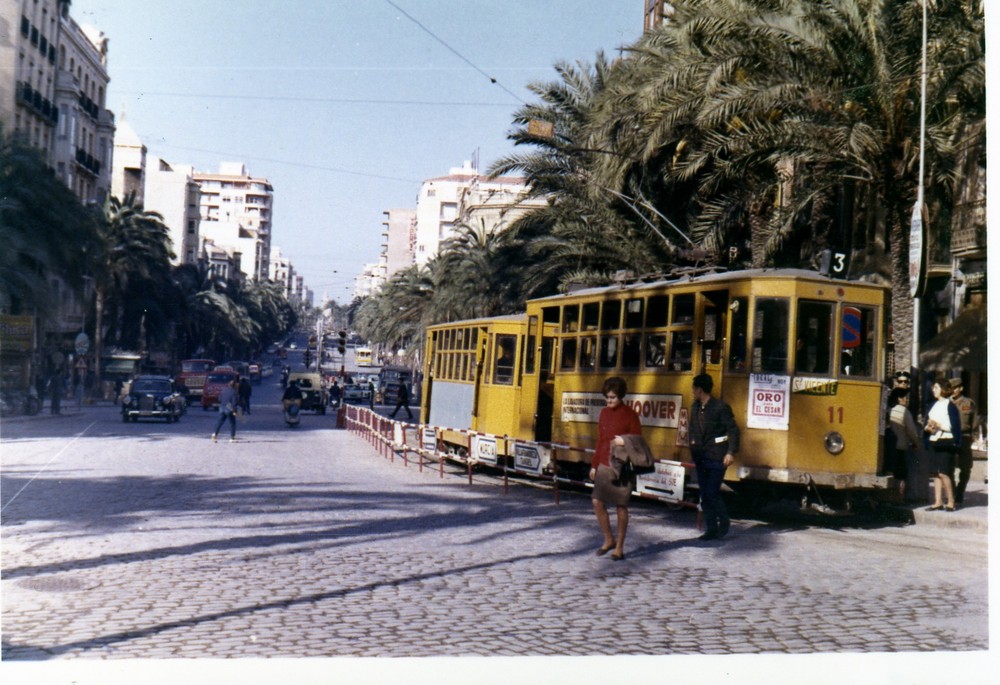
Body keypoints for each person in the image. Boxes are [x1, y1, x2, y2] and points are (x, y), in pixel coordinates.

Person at [589, 376, 642, 561]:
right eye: (607, 397)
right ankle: (608, 539)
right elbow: (600, 440)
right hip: (604, 463)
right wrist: (594, 464)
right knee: (597, 501)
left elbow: (638, 441)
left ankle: (619, 547)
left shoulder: (630, 415)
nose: (609, 400)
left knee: (621, 506)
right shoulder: (603, 413)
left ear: (621, 396)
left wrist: (624, 440)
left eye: (612, 397)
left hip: (622, 466)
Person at [689, 373, 739, 540]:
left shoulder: (720, 407)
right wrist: (693, 447)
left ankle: (724, 522)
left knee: (711, 492)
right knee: (705, 493)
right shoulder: (695, 408)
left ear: (700, 389)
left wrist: (731, 452)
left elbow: (733, 430)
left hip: (717, 457)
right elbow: (693, 429)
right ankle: (711, 529)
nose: (692, 392)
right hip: (700, 457)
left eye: (694, 389)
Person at [923, 377, 961, 511]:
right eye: (933, 388)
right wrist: (927, 428)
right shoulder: (932, 405)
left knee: (944, 473)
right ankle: (938, 501)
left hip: (946, 441)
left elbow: (954, 427)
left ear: (943, 390)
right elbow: (927, 421)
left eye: (936, 387)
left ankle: (951, 501)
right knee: (935, 473)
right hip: (934, 440)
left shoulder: (950, 406)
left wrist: (939, 425)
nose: (933, 390)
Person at [886, 387, 921, 500]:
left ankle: (888, 496)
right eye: (903, 397)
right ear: (898, 398)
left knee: (890, 471)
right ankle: (899, 497)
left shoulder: (888, 410)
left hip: (888, 445)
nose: (906, 399)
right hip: (900, 446)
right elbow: (911, 431)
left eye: (907, 397)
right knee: (901, 474)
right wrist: (917, 443)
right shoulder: (904, 411)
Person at [949, 377, 978, 505]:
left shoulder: (969, 403)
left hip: (965, 437)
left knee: (965, 468)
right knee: (948, 467)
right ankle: (953, 491)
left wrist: (974, 436)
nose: (953, 390)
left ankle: (960, 492)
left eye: (955, 388)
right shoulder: (946, 403)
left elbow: (975, 422)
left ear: (961, 388)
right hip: (949, 437)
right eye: (951, 388)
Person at [211, 378, 239, 443]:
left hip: (222, 407)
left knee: (219, 422)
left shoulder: (223, 390)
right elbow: (234, 403)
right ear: (234, 386)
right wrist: (235, 411)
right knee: (232, 423)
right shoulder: (234, 392)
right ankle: (232, 437)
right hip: (229, 408)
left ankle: (214, 434)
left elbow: (219, 399)